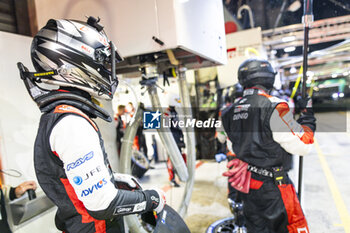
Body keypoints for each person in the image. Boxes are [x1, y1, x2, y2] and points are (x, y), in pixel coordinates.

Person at [19, 17, 165, 233]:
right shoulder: (72, 124)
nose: (105, 70)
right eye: (100, 62)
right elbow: (102, 204)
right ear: (73, 63)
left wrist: (111, 179)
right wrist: (152, 199)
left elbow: (66, 177)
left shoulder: (60, 116)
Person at [221, 58, 316, 233]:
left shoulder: (228, 112)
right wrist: (307, 117)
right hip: (275, 189)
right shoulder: (274, 106)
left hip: (249, 187)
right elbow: (304, 146)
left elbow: (233, 148)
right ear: (269, 78)